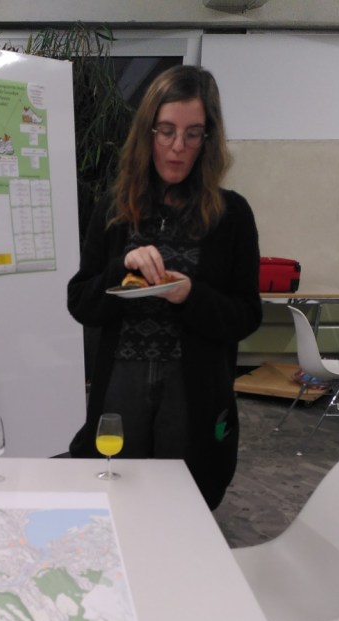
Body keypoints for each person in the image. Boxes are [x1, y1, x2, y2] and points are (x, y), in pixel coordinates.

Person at [67, 64, 262, 510]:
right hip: (122, 382)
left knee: (182, 504)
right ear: (147, 132)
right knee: (116, 497)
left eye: (193, 134)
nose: (178, 147)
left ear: (208, 140)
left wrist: (191, 296)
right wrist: (121, 268)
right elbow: (81, 302)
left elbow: (246, 315)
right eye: (167, 131)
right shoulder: (115, 208)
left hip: (190, 387)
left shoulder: (231, 216)